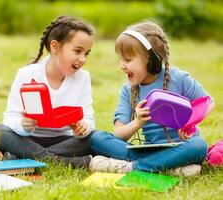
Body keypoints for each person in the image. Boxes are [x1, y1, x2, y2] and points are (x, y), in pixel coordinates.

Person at [89, 20, 215, 176]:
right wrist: (138, 122)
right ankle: (167, 167)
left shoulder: (179, 78)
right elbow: (119, 133)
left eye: (127, 60)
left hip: (181, 148)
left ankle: (132, 167)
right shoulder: (128, 90)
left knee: (199, 145)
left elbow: (207, 103)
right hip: (149, 150)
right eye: (120, 59)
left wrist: (189, 125)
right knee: (96, 138)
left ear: (150, 60)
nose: (122, 65)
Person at [0, 16, 95, 168]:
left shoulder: (83, 78)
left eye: (86, 53)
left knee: (94, 138)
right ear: (55, 46)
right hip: (29, 139)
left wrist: (84, 128)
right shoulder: (26, 74)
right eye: (78, 51)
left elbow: (89, 119)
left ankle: (24, 158)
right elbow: (10, 117)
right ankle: (64, 162)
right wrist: (22, 125)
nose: (83, 59)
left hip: (65, 142)